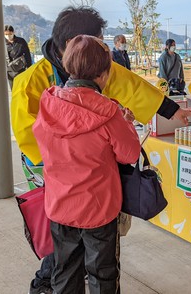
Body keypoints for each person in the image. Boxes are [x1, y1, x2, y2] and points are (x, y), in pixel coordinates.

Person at [11, 6, 191, 294]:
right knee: (98, 267)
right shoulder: (32, 83)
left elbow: (132, 86)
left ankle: (51, 283)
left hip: (62, 195)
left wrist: (171, 110)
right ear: (76, 45)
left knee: (66, 258)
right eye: (99, 41)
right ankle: (42, 283)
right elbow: (126, 151)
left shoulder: (51, 96)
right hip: (82, 193)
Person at [33, 34, 140, 293]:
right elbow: (130, 154)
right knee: (102, 274)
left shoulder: (48, 103)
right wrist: (126, 123)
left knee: (65, 271)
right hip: (98, 208)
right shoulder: (109, 112)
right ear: (103, 75)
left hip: (59, 205)